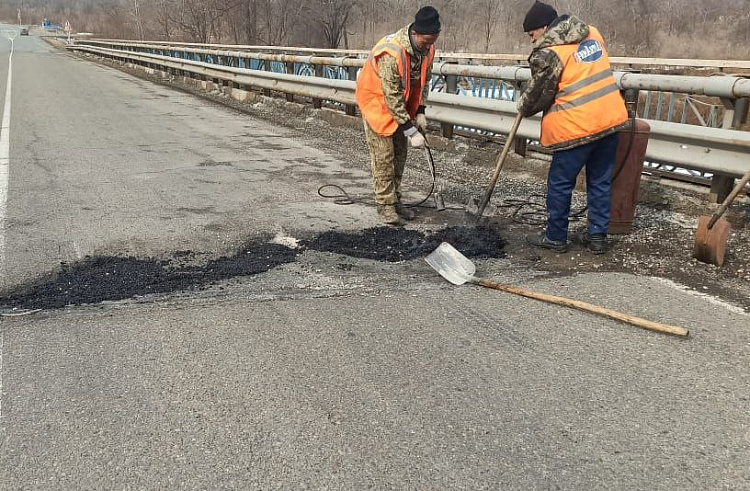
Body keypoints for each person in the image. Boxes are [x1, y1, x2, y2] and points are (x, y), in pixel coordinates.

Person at [517, 1, 629, 254]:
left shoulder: (550, 52)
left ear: (544, 28)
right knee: (600, 181)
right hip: (609, 121)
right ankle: (597, 236)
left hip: (576, 127)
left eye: (532, 34)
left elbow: (538, 95)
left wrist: (523, 106)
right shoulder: (592, 33)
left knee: (560, 184)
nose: (532, 41)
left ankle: (556, 237)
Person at [355, 6, 440, 226]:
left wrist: (420, 110)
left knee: (400, 155)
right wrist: (411, 130)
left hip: (401, 107)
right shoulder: (391, 52)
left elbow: (425, 81)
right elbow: (390, 95)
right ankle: (385, 205)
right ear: (414, 34)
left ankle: (396, 199)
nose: (428, 47)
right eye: (425, 42)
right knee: (384, 157)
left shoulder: (427, 49)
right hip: (377, 104)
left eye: (432, 42)